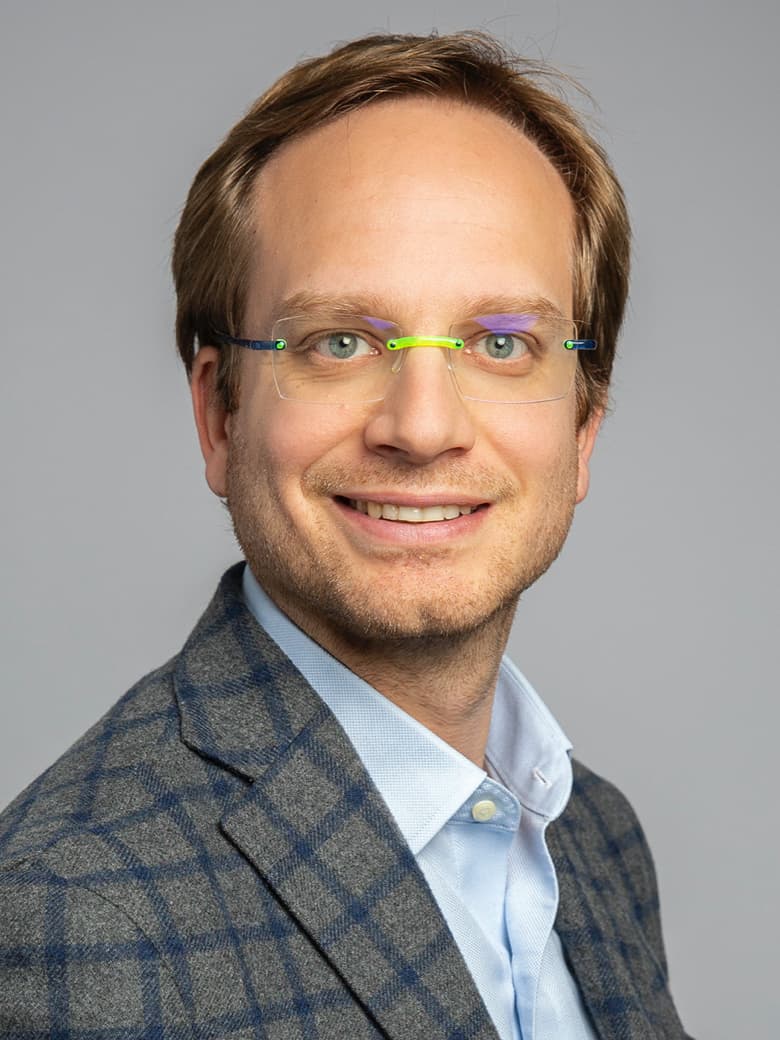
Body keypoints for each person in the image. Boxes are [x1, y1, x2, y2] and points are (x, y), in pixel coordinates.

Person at [0, 30, 691, 1040]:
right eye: (339, 341)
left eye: (502, 343)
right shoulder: (79, 913)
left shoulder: (597, 837)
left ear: (583, 426)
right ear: (221, 417)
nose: (421, 426)